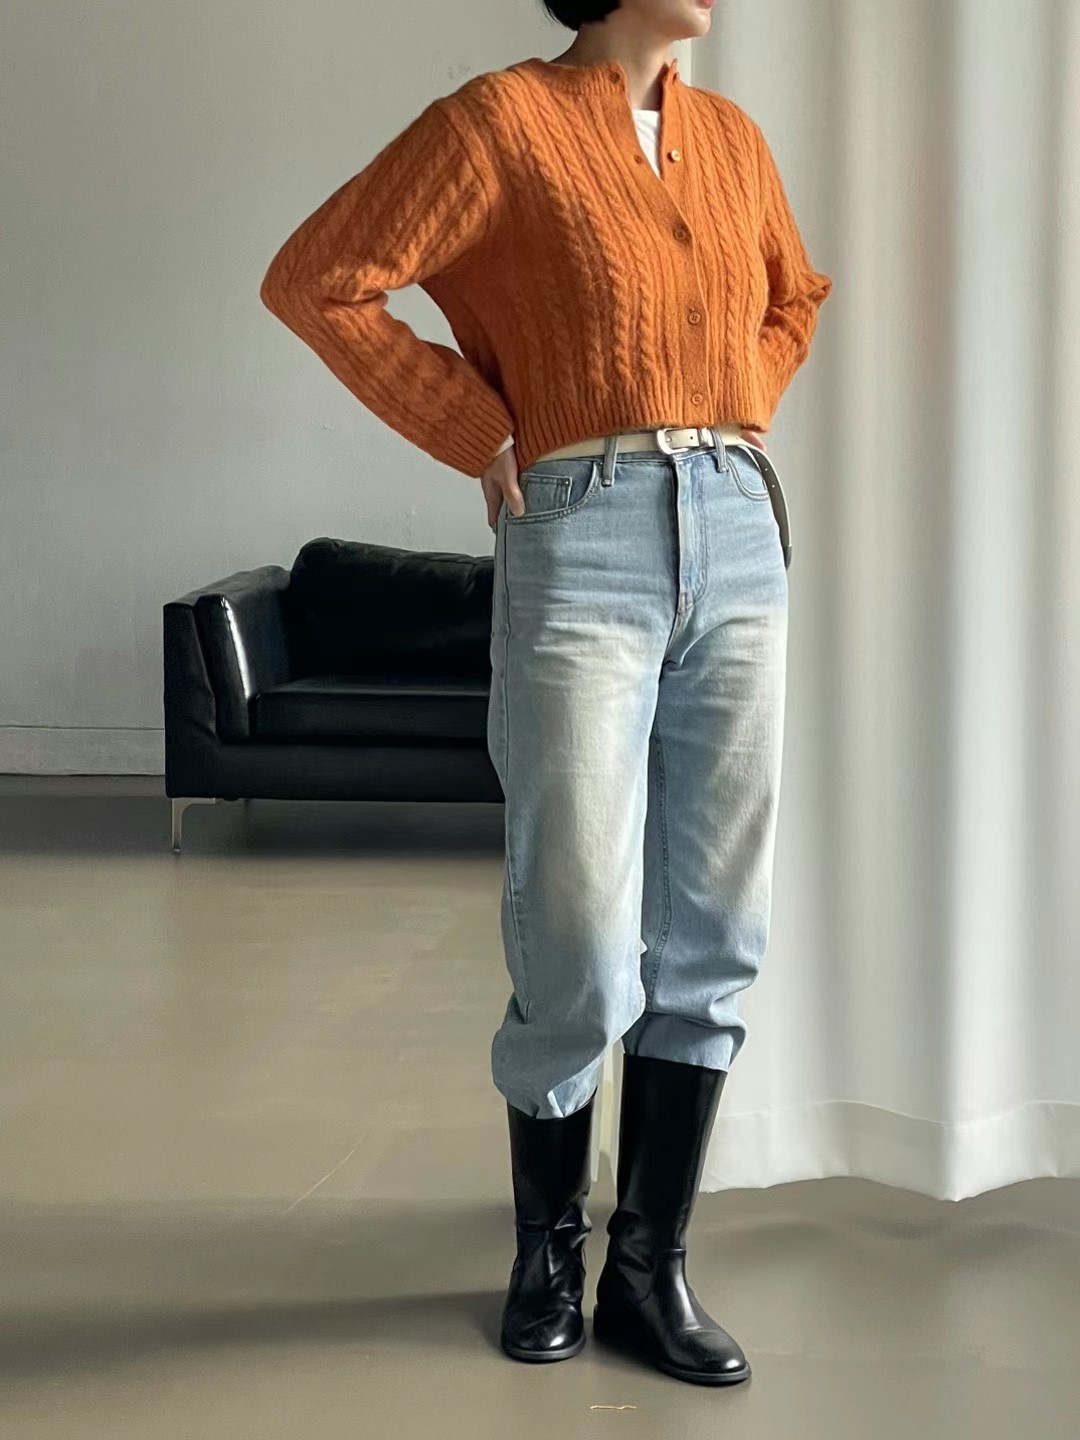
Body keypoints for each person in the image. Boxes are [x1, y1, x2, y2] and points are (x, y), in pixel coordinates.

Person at [259, 0, 832, 1388]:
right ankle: (547, 1249)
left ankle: (651, 1264)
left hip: (738, 527)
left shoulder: (732, 138)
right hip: (583, 535)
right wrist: (478, 425)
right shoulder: (499, 124)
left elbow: (793, 296)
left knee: (717, 919)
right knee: (575, 923)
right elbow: (319, 279)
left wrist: (734, 401)